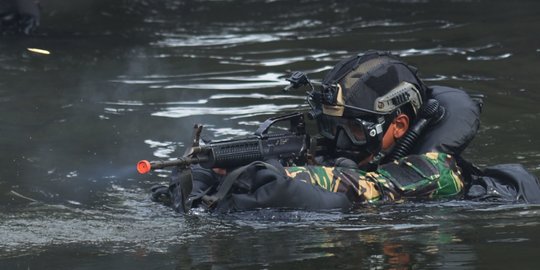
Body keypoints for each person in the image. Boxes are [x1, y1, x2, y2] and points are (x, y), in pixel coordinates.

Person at [155, 50, 540, 213]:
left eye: (353, 127)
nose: (336, 139)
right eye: (329, 125)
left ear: (399, 125)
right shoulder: (342, 149)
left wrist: (280, 178)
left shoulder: (439, 172)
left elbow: (368, 188)